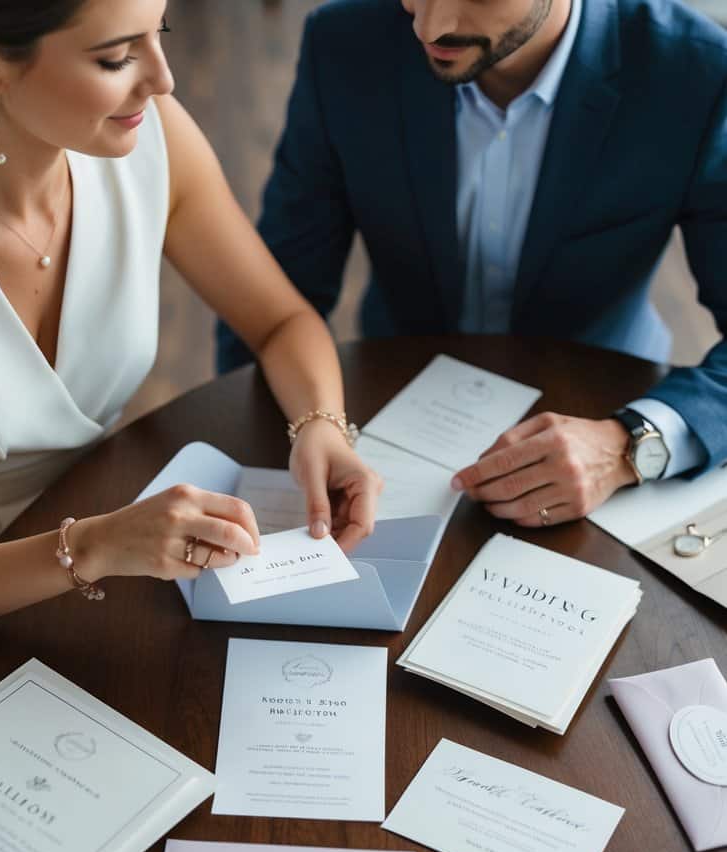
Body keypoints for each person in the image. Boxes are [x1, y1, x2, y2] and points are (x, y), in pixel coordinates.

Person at [0, 0, 381, 638]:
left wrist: (321, 427)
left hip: (126, 562)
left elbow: (280, 320)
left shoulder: (151, 137)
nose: (163, 78)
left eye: (163, 32)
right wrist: (94, 547)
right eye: (117, 56)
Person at [216, 0, 727, 528]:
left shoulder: (698, 72)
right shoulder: (343, 43)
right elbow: (272, 297)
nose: (428, 26)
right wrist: (257, 460)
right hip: (376, 423)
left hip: (600, 420)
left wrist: (628, 444)